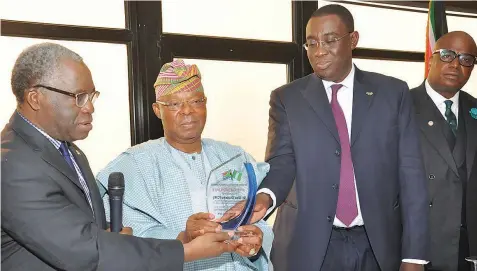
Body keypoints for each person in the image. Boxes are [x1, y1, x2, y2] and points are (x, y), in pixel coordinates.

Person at [223, 4, 430, 271]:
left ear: (352, 40)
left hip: (378, 243)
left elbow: (411, 175)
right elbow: (282, 162)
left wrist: (413, 257)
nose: (319, 51)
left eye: (330, 40)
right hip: (310, 245)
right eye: (311, 43)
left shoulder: (392, 93)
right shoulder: (287, 98)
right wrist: (263, 198)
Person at [1, 43, 238, 271]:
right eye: (80, 97)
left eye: (92, 96)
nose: (90, 108)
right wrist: (186, 251)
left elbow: (83, 227)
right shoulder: (12, 166)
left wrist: (114, 238)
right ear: (35, 98)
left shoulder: (69, 150)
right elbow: (85, 250)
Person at [96, 59, 273, 271]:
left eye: (196, 101)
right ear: (157, 110)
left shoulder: (234, 157)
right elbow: (126, 236)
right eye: (175, 104)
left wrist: (255, 242)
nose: (187, 111)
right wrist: (183, 236)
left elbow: (257, 217)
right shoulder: (134, 164)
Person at [410, 31, 477, 271]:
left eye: (466, 59)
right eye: (448, 55)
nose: (456, 65)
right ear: (431, 59)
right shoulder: (401, 107)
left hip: (468, 251)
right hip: (420, 248)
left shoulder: (475, 109)